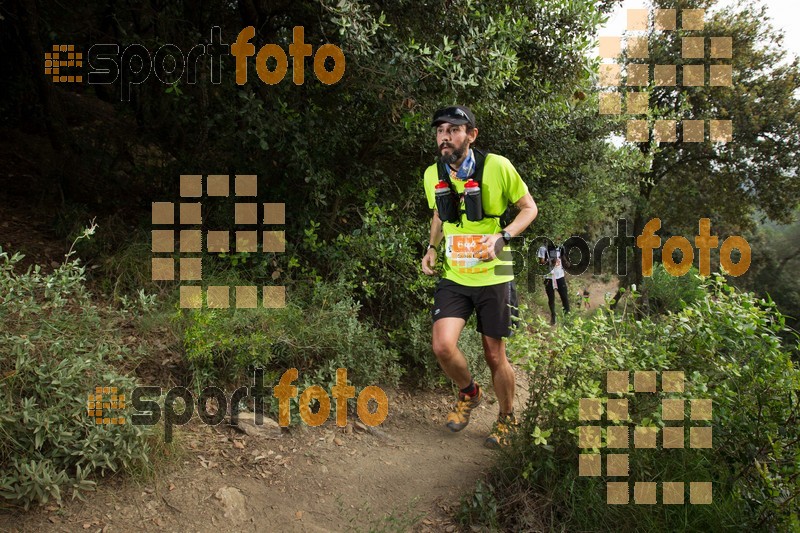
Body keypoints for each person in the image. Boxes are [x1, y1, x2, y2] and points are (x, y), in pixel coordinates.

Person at [420, 105, 538, 448]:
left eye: (454, 130)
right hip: (456, 273)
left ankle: (506, 418)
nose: (445, 136)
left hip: (494, 273)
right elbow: (439, 214)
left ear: (471, 135)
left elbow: (529, 208)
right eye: (441, 130)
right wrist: (431, 247)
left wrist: (504, 236)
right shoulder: (432, 174)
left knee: (494, 354)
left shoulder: (498, 167)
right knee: (442, 345)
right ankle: (469, 392)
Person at [537, 242, 571, 325]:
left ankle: (567, 318)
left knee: (564, 297)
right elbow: (541, 262)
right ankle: (553, 316)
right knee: (551, 298)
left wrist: (566, 262)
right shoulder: (543, 248)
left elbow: (562, 257)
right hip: (549, 277)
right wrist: (550, 261)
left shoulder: (560, 246)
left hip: (560, 276)